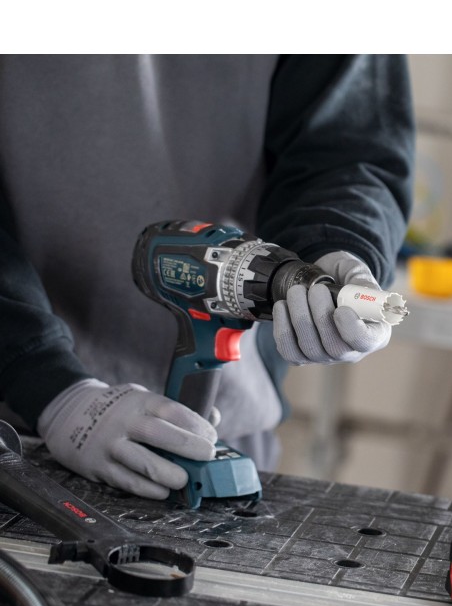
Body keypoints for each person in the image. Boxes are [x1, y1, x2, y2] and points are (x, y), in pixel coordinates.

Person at [0, 55, 414, 499]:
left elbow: (347, 147)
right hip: (16, 430)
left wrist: (338, 245)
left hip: (233, 422)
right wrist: (51, 387)